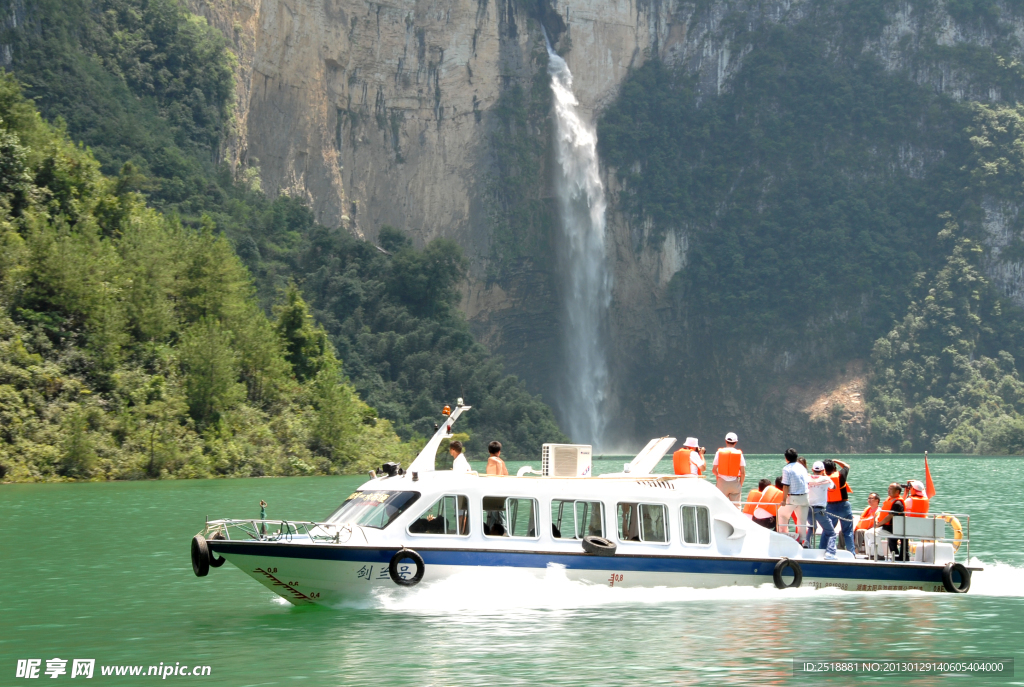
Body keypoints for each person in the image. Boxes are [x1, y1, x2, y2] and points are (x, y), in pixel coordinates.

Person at [778, 448, 810, 545]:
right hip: (805, 497)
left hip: (794, 497)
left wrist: (784, 500)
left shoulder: (787, 469)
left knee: (782, 514)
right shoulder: (802, 467)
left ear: (786, 458)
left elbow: (786, 485)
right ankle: (803, 542)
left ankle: (783, 536)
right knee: (802, 521)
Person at [824, 459, 855, 554]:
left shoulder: (822, 478)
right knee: (847, 532)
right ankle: (852, 553)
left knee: (828, 532)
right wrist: (835, 460)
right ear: (834, 468)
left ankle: (824, 550)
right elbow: (847, 466)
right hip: (843, 505)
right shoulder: (841, 475)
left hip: (830, 507)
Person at [808, 461, 838, 559]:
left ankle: (806, 545)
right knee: (831, 533)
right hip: (819, 510)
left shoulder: (807, 478)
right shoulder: (826, 479)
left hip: (808, 509)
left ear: (812, 470)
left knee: (812, 527)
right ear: (823, 470)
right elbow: (834, 487)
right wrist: (825, 476)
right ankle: (830, 553)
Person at [875, 483, 908, 561]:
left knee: (873, 534)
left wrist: (879, 524)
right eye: (888, 488)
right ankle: (876, 554)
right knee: (869, 533)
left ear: (897, 492)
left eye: (891, 489)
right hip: (886, 527)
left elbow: (890, 516)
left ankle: (880, 555)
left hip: (893, 528)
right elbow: (883, 512)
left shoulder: (898, 503)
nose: (889, 490)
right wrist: (877, 519)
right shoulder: (890, 499)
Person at [712, 432, 746, 505]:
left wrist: (719, 478)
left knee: (719, 505)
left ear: (725, 441)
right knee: (736, 507)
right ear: (736, 442)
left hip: (722, 482)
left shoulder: (719, 452)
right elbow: (743, 472)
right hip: (734, 483)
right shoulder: (739, 454)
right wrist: (740, 484)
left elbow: (714, 470)